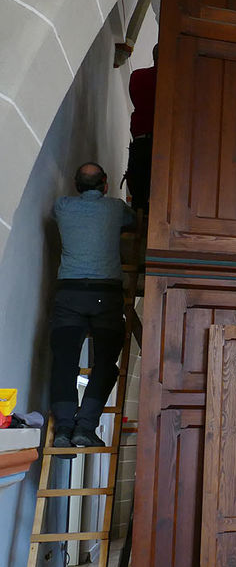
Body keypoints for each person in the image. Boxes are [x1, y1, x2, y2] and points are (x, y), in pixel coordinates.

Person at [51, 163, 134, 455]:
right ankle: (85, 428)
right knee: (106, 362)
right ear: (106, 185)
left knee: (64, 363)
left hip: (68, 295)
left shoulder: (61, 207)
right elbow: (132, 220)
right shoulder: (114, 209)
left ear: (75, 185)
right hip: (105, 296)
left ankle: (62, 430)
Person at [125, 44, 157, 209]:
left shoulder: (138, 76)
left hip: (142, 139)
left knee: (139, 190)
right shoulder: (176, 79)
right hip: (166, 142)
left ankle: (138, 215)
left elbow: (135, 99)